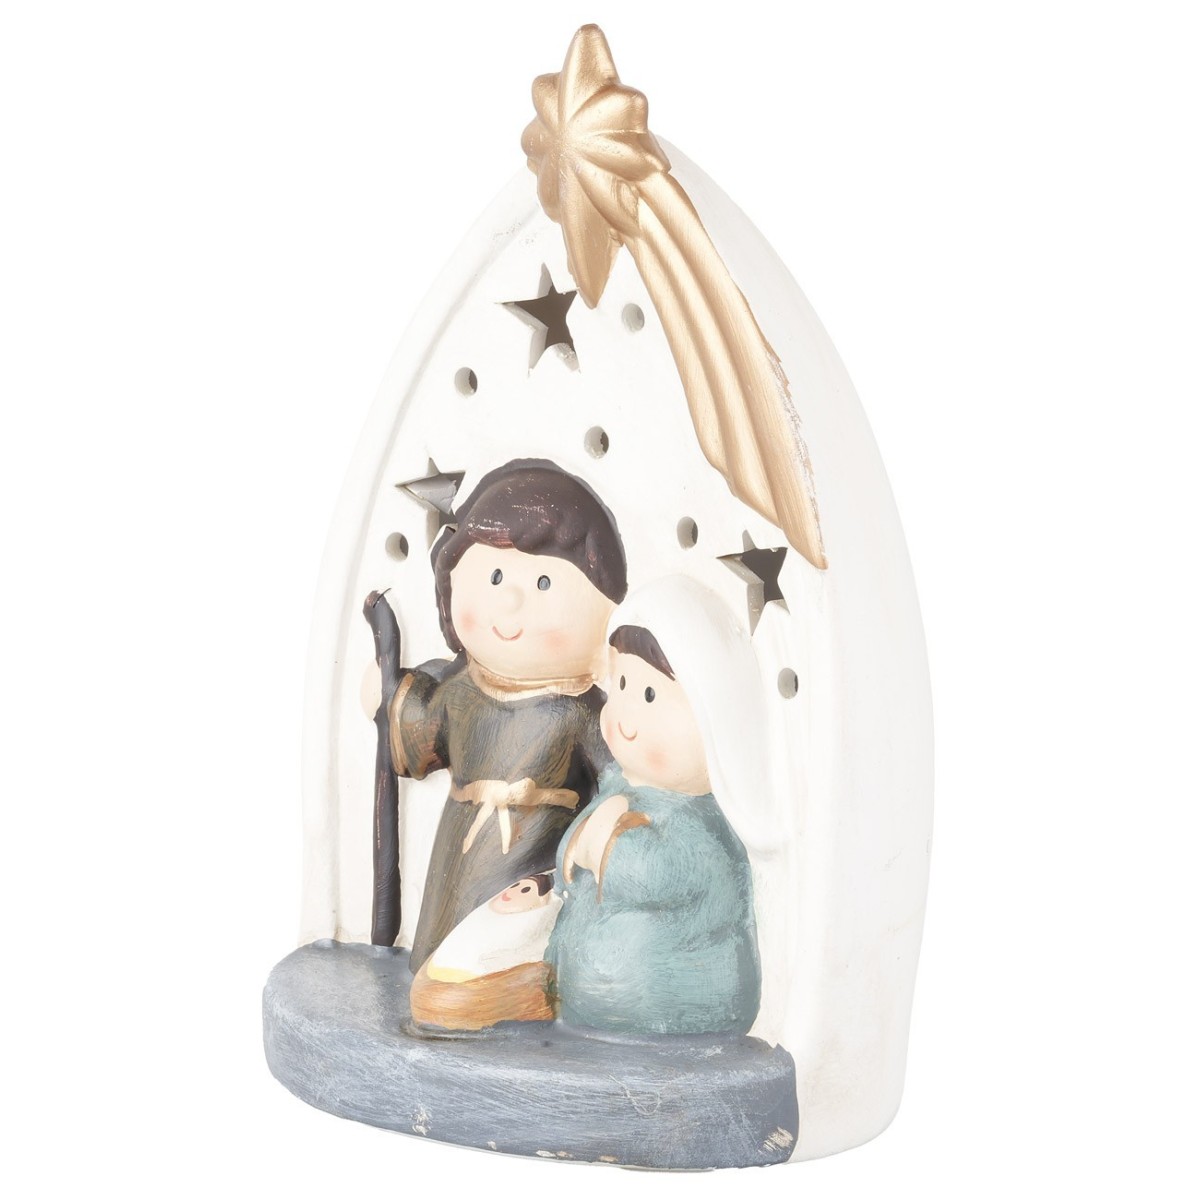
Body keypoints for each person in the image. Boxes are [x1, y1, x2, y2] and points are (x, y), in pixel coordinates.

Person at [384, 459, 627, 1029]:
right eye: (494, 578)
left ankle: (514, 1000)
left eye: (543, 583)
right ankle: (437, 985)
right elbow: (422, 731)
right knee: (443, 949)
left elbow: (617, 774)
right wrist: (391, 695)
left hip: (532, 862)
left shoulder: (582, 711)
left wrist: (614, 807)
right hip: (460, 855)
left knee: (512, 950)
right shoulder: (464, 691)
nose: (511, 605)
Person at [545, 577, 770, 1036]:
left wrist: (604, 844)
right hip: (587, 1017)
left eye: (650, 696)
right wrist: (579, 845)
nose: (625, 718)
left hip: (674, 1019)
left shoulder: (704, 822)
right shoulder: (619, 787)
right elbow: (571, 859)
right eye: (622, 685)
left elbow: (657, 872)